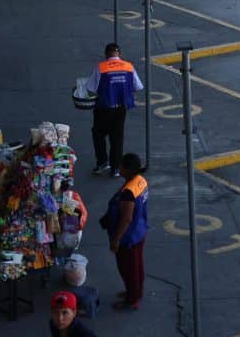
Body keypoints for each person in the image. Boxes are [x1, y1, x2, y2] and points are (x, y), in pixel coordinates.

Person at [87, 43, 143, 176]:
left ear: (106, 54)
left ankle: (102, 162)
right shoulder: (129, 66)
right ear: (119, 54)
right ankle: (116, 168)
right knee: (117, 138)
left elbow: (91, 90)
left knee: (98, 135)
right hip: (120, 109)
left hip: (103, 108)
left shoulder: (101, 67)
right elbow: (138, 86)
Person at [104, 153, 149, 311]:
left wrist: (116, 240)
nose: (119, 168)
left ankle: (131, 300)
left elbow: (127, 218)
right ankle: (136, 292)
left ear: (128, 169)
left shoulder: (128, 192)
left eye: (121, 166)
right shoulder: (140, 181)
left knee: (128, 269)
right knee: (137, 266)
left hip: (128, 238)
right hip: (140, 231)